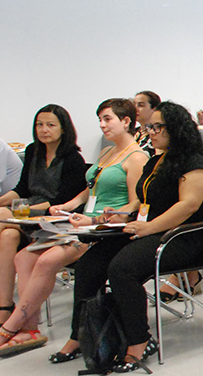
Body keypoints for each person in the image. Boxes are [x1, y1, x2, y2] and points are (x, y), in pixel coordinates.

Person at [70, 101, 203, 372]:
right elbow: (142, 202)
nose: (151, 132)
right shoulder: (158, 160)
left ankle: (139, 340)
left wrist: (148, 227)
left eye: (158, 127)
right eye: (149, 127)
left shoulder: (193, 163)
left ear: (177, 129)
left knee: (122, 269)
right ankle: (80, 334)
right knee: (89, 265)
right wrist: (121, 215)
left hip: (181, 237)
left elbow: (189, 206)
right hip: (152, 229)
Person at [2, 99, 148, 359]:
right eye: (100, 120)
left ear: (126, 122)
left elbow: (136, 201)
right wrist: (65, 206)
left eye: (107, 119)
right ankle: (29, 327)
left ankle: (11, 325)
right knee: (23, 256)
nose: (102, 125)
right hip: (81, 222)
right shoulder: (106, 153)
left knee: (47, 261)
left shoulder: (136, 157)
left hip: (102, 230)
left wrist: (94, 221)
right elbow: (87, 192)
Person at [0, 105, 86, 348]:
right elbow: (22, 189)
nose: (44, 130)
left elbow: (62, 200)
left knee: (2, 218)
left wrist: (27, 210)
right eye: (40, 124)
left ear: (63, 128)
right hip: (25, 213)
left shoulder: (72, 159)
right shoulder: (32, 151)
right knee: (6, 236)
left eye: (50, 125)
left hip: (52, 216)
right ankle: (5, 308)